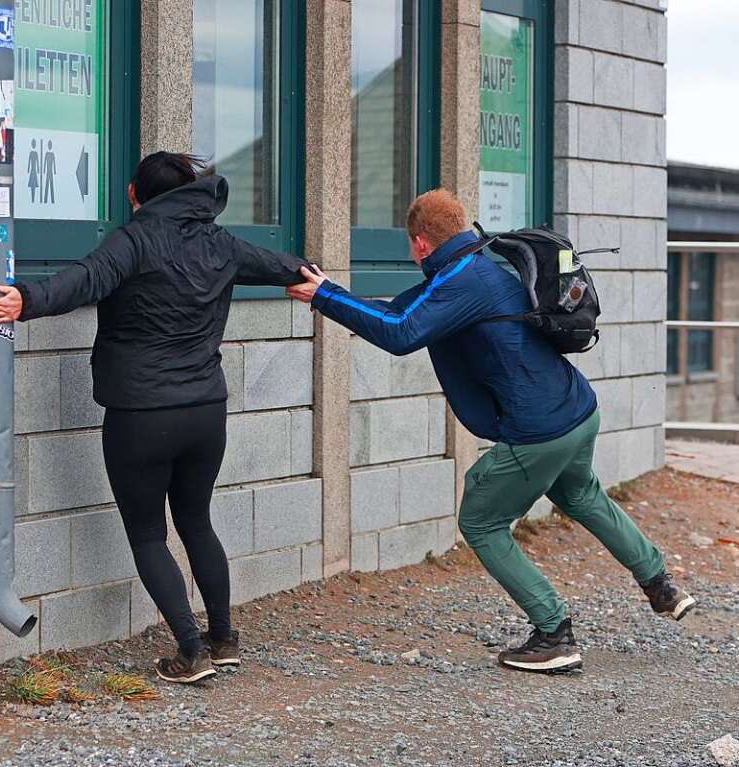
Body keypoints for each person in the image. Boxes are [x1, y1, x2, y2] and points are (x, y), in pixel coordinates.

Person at [286, 188, 695, 673]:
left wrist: (325, 295)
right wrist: (331, 292)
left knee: (480, 519)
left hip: (539, 430)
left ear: (419, 243)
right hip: (578, 411)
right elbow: (401, 309)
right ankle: (662, 586)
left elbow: (400, 332)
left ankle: (553, 632)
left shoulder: (460, 280)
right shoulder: (482, 263)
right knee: (583, 496)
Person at [0, 152, 308, 683]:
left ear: (136, 193)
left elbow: (85, 279)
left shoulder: (133, 241)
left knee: (149, 534)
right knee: (197, 520)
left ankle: (190, 651)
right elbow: (281, 264)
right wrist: (310, 280)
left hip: (140, 415)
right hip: (206, 411)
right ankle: (222, 637)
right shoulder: (218, 242)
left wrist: (24, 301)